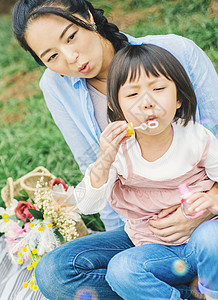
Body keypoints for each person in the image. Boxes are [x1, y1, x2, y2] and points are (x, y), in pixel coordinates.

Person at [11, 0, 218, 299]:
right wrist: (138, 241)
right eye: (52, 56)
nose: (70, 58)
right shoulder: (57, 86)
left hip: (206, 213)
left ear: (86, 16)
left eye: (71, 36)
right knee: (55, 273)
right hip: (148, 230)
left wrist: (204, 206)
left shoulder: (175, 52)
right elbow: (93, 169)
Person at [74, 43, 218, 300]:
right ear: (116, 107)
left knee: (213, 236)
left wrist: (213, 199)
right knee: (120, 270)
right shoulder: (118, 152)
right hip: (156, 252)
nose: (147, 103)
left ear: (178, 98)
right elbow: (87, 205)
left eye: (159, 89)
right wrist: (104, 160)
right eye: (132, 95)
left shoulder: (197, 138)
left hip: (204, 243)